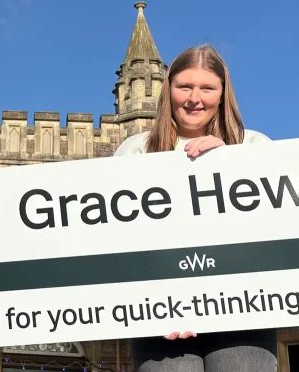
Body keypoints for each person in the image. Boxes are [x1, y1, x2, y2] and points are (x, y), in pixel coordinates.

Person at [113, 44, 276, 372]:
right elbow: (119, 238)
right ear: (167, 90)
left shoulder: (255, 145)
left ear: (222, 92)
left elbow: (275, 229)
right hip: (161, 315)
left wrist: (231, 160)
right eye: (184, 87)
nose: (194, 98)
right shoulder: (135, 150)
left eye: (207, 88)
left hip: (244, 309)